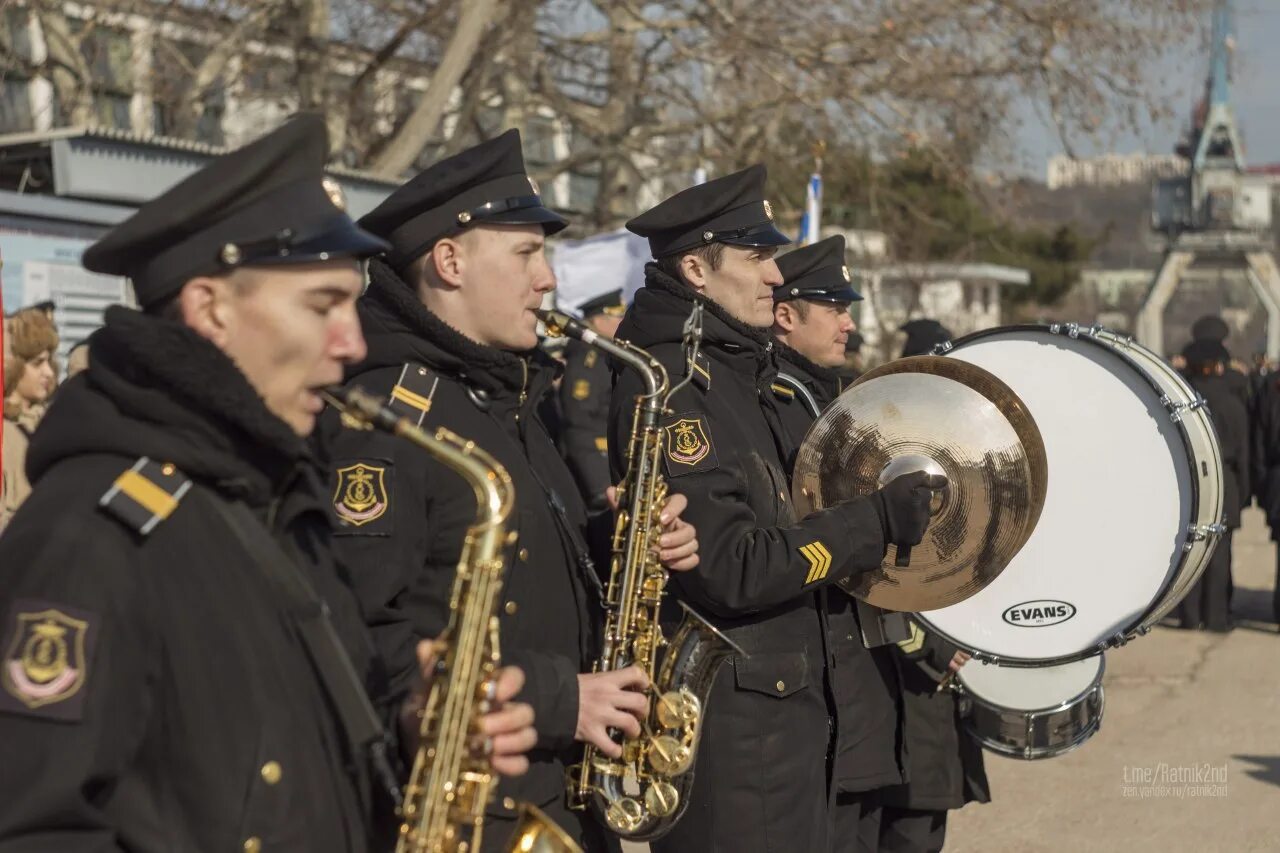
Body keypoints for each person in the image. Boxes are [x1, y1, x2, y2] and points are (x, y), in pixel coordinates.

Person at [0, 114, 535, 851]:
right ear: (211, 307)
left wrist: (413, 722)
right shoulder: (91, 534)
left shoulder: (273, 492)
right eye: (322, 305)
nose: (352, 344)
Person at [313, 129, 699, 852]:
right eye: (526, 253)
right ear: (450, 261)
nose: (548, 279)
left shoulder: (503, 394)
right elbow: (360, 635)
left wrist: (624, 547)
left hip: (555, 792)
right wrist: (560, 699)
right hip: (474, 809)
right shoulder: (390, 416)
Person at [610, 164, 943, 853]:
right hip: (737, 743)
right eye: (758, 257)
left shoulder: (748, 377)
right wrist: (874, 521)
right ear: (697, 270)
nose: (774, 276)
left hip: (792, 727)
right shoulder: (672, 384)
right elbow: (732, 566)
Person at [770, 235, 909, 851]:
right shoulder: (773, 402)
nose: (849, 322)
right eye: (833, 306)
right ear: (785, 314)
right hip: (817, 673)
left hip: (864, 676)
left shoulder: (842, 398)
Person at [873, 317, 989, 853]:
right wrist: (937, 648)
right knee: (906, 825)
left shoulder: (955, 445)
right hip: (902, 684)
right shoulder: (885, 450)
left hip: (932, 683)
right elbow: (876, 584)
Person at [1179, 339, 1248, 631]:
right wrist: (1244, 493)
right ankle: (1217, 616)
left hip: (1191, 485)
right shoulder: (1232, 403)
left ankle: (1190, 615)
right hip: (1226, 483)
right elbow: (1244, 453)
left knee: (1189, 553)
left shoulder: (1182, 402)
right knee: (1219, 556)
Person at [558, 288, 625, 511]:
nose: (622, 321)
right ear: (597, 319)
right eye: (617, 316)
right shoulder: (588, 357)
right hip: (595, 464)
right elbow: (579, 421)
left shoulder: (606, 354)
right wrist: (599, 484)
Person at [1, 306, 58, 529]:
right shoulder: (6, 435)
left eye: (48, 361)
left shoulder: (52, 424)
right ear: (12, 365)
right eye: (37, 363)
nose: (49, 372)